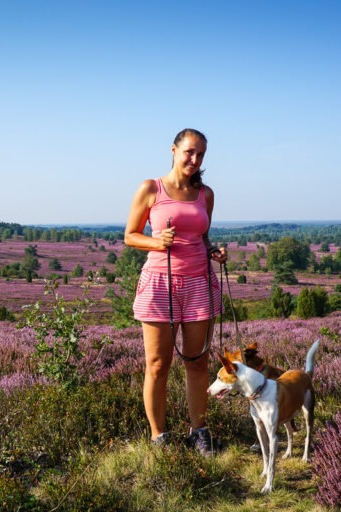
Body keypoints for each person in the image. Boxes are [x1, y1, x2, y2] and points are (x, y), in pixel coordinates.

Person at [124, 128, 227, 455]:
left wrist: (214, 252)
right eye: (189, 153)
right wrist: (157, 242)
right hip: (159, 285)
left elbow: (203, 237)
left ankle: (199, 433)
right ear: (173, 150)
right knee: (157, 364)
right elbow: (130, 235)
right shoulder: (150, 188)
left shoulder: (206, 195)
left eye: (201, 155)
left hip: (199, 284)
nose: (195, 160)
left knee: (198, 364)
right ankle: (159, 438)